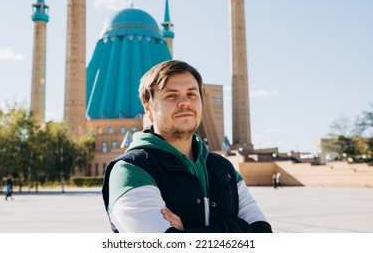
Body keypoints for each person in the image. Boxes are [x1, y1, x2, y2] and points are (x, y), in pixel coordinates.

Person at [102, 60, 272, 233]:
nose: (185, 102)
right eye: (172, 95)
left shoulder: (224, 170)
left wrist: (187, 233)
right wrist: (239, 228)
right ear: (148, 108)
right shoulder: (131, 170)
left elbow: (264, 234)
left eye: (192, 94)